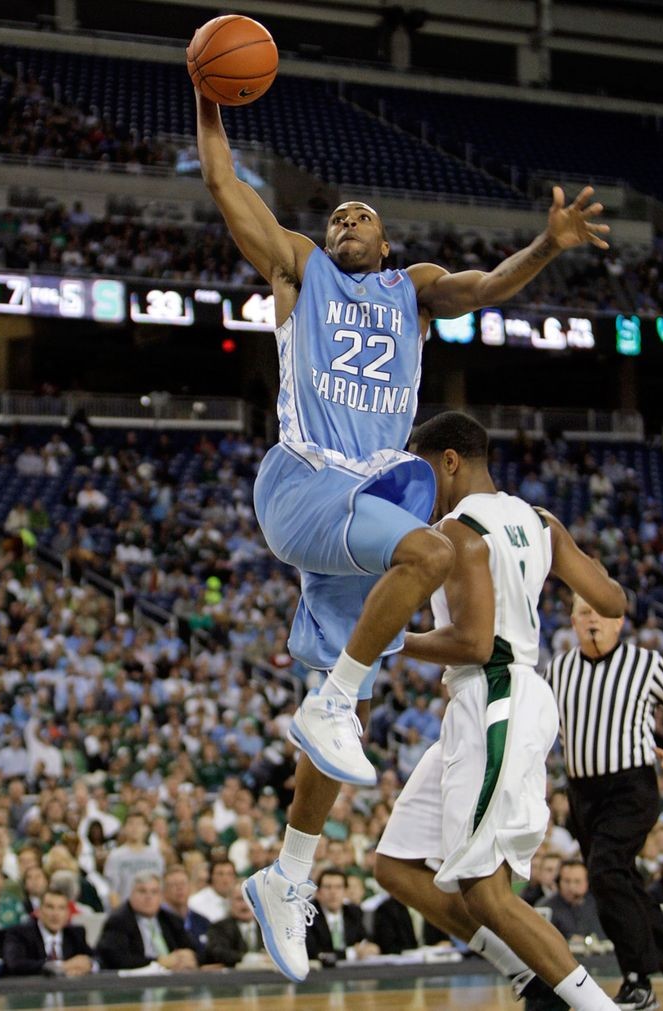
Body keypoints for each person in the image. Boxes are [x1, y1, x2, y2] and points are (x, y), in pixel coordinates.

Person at [193, 80, 611, 983]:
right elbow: (227, 187)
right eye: (337, 215)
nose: (344, 221)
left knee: (339, 737)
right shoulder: (298, 267)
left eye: (360, 216)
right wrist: (209, 100)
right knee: (431, 546)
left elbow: (491, 285)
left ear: (387, 242)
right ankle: (335, 695)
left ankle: (288, 873)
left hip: (365, 502)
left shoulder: (413, 292)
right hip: (305, 481)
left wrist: (548, 240)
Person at [372, 411, 627, 1011]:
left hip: (495, 694)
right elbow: (611, 598)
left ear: (450, 461)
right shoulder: (541, 522)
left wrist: (389, 638)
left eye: (424, 469)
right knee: (396, 865)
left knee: (486, 891)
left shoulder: (457, 532)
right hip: (494, 696)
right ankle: (529, 972)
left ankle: (598, 1007)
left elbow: (474, 643)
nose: (421, 485)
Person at [546, 600, 663, 1011]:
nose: (591, 618)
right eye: (582, 612)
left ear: (619, 621)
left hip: (631, 786)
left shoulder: (645, 663)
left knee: (606, 870)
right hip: (581, 792)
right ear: (572, 622)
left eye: (600, 612)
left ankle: (636, 977)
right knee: (619, 883)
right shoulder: (557, 669)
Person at [96, 871, 199, 971]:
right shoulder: (118, 921)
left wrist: (190, 956)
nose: (148, 897)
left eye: (154, 892)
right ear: (131, 894)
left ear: (161, 896)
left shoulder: (170, 919)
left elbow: (194, 948)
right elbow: (116, 959)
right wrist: (158, 962)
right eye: (142, 891)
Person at [2, 887, 95, 977]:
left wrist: (88, 964)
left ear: (67, 914)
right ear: (39, 911)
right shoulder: (19, 933)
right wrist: (61, 966)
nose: (55, 914)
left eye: (61, 908)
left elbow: (98, 959)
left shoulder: (75, 934)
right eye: (50, 907)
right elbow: (15, 964)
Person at [304, 868, 380, 964]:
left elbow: (364, 940)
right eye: (328, 887)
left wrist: (370, 948)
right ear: (318, 893)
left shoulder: (354, 912)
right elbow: (313, 952)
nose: (333, 892)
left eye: (338, 887)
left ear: (345, 892)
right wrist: (350, 953)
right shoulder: (308, 914)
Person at [536, 860, 605, 941]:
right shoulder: (546, 906)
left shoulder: (599, 904)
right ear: (558, 882)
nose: (571, 886)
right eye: (567, 881)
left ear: (587, 882)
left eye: (577, 881)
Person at [201, 882, 265, 968]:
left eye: (249, 899)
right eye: (239, 899)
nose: (245, 905)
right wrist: (246, 958)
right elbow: (218, 953)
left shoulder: (267, 927)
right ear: (230, 902)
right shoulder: (218, 928)